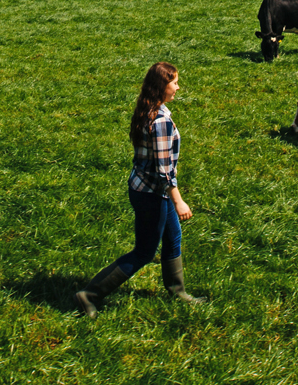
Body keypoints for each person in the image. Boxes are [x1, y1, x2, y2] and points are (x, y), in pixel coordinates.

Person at [75, 61, 205, 317]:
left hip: (143, 186)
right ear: (162, 86)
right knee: (145, 251)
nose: (178, 87)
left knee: (173, 237)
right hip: (152, 194)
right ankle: (89, 295)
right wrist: (178, 201)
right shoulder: (161, 121)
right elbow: (164, 169)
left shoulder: (149, 109)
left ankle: (177, 291)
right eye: (175, 82)